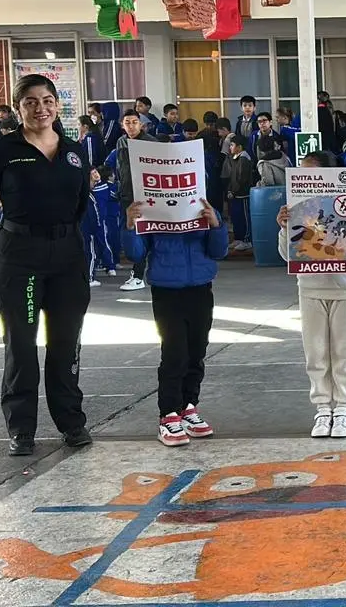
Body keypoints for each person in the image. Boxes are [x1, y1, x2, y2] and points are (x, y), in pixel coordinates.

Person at [0, 74, 94, 456]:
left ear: (57, 105)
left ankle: (71, 423)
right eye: (30, 101)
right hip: (18, 259)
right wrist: (5, 245)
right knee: (21, 346)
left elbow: (79, 205)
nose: (40, 107)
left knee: (65, 344)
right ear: (18, 107)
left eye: (47, 100)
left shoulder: (74, 152)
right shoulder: (2, 150)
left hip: (67, 258)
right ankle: (21, 429)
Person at [278, 151, 346, 438]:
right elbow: (287, 255)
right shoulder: (295, 207)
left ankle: (343, 410)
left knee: (344, 352)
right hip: (309, 286)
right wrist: (284, 228)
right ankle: (322, 410)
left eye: (312, 173)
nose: (306, 178)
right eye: (302, 173)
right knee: (315, 351)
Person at [123, 198, 227, 446]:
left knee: (197, 351)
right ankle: (168, 414)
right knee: (174, 353)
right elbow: (136, 253)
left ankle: (189, 407)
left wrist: (215, 225)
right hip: (166, 290)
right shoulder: (150, 212)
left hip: (201, 288)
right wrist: (130, 226)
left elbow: (219, 251)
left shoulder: (205, 209)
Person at [108, 109, 157, 291]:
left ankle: (139, 275)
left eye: (134, 122)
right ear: (122, 125)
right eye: (127, 122)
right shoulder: (121, 142)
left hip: (147, 197)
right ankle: (137, 275)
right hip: (126, 196)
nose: (131, 126)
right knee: (133, 236)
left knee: (144, 235)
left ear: (141, 124)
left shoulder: (151, 142)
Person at [82, 168, 117, 286]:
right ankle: (91, 276)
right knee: (91, 250)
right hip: (94, 225)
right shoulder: (93, 192)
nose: (96, 175)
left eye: (96, 172)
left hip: (96, 224)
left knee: (99, 245)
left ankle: (108, 266)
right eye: (92, 174)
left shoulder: (88, 191)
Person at [222, 138, 254, 251]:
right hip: (235, 194)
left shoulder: (244, 159)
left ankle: (247, 240)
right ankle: (238, 238)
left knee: (244, 218)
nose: (230, 147)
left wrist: (234, 191)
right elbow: (232, 177)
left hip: (243, 194)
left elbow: (241, 178)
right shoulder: (235, 158)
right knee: (236, 218)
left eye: (232, 145)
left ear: (239, 147)